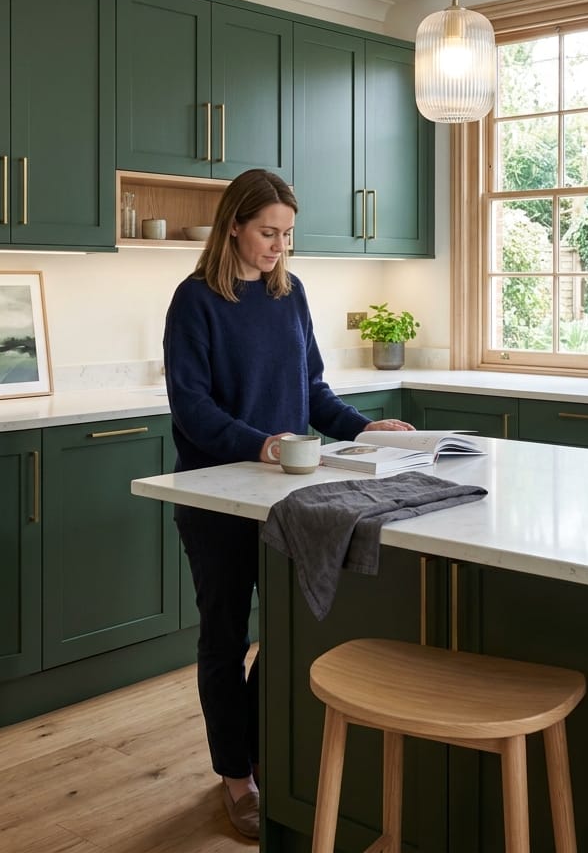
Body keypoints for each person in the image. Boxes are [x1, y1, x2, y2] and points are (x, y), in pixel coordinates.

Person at [163, 168, 414, 839]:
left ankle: (261, 753)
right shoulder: (195, 302)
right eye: (269, 233)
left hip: (286, 498)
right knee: (225, 637)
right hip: (216, 497)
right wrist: (264, 445)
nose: (280, 247)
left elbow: (313, 394)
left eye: (288, 235)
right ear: (234, 227)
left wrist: (363, 427)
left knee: (288, 632)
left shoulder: (290, 293)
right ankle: (235, 777)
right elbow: (191, 409)